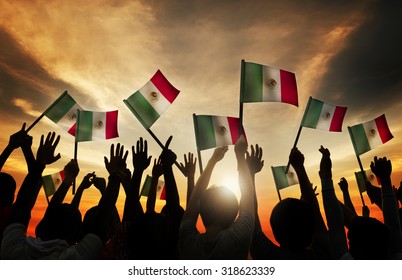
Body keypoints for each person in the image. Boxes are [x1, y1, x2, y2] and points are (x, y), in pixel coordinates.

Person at [178, 135, 255, 259]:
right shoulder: (239, 238)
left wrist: (212, 161)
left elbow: (194, 198)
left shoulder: (188, 242)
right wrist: (240, 155)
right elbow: (247, 195)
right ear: (234, 212)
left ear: (201, 209)